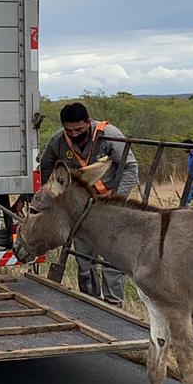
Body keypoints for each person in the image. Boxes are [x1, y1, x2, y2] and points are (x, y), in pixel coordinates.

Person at [38, 103, 138, 306]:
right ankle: (89, 302)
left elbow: (129, 167)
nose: (74, 134)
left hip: (108, 209)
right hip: (81, 211)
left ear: (88, 122)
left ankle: (113, 305)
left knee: (112, 260)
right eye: (69, 130)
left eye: (79, 130)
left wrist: (117, 198)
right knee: (84, 259)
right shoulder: (58, 139)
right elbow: (46, 167)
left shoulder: (109, 135)